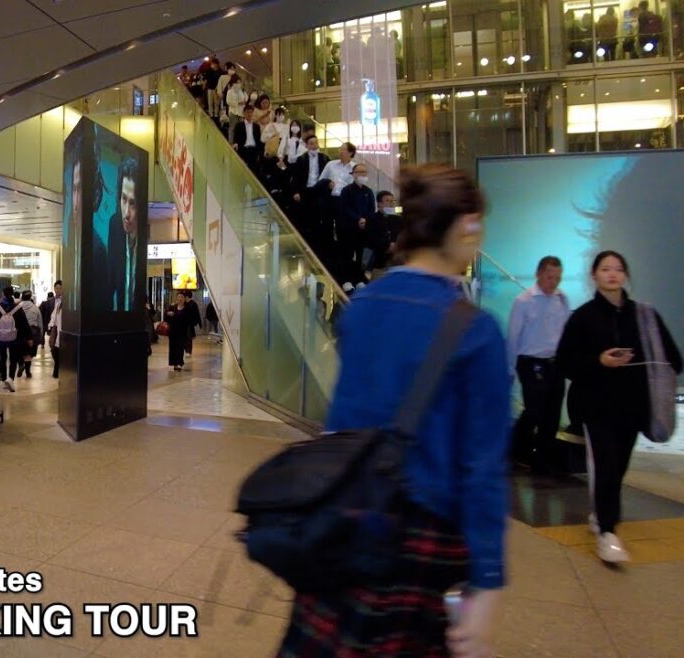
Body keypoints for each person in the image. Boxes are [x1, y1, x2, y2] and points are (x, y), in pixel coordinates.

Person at [280, 164, 509, 658]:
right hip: (420, 539)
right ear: (464, 227)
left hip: (346, 524)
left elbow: (339, 424)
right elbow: (483, 468)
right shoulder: (477, 331)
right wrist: (487, 579)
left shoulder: (363, 306)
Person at [556, 251, 681, 563]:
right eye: (605, 269)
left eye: (618, 269)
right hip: (596, 406)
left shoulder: (644, 316)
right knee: (605, 465)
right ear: (594, 275)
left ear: (625, 275)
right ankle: (608, 532)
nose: (612, 274)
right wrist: (599, 360)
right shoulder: (583, 317)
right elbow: (565, 361)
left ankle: (601, 515)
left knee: (618, 467)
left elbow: (672, 358)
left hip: (633, 405)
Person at [506, 257, 572, 475]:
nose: (553, 282)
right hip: (530, 361)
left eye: (557, 278)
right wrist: (510, 368)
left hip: (554, 362)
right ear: (539, 274)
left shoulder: (562, 299)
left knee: (553, 413)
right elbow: (513, 336)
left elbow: (565, 333)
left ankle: (542, 458)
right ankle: (514, 449)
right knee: (534, 410)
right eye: (549, 277)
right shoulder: (524, 301)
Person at [95, 159, 142, 313]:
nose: (126, 213)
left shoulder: (142, 236)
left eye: (133, 203)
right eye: (124, 199)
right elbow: (110, 282)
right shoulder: (115, 224)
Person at [338, 162, 376, 285]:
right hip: (349, 228)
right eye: (360, 172)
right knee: (347, 255)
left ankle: (360, 280)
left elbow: (371, 209)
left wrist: (365, 220)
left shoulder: (368, 191)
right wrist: (358, 219)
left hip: (364, 229)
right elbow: (345, 208)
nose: (362, 175)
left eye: (364, 172)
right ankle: (346, 281)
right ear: (353, 174)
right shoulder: (346, 190)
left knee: (361, 256)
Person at [0, 286, 32, 389]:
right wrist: (29, 337)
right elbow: (24, 324)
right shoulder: (17, 308)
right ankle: (11, 379)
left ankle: (4, 379)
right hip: (15, 338)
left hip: (1, 338)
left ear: (3, 294)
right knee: (13, 359)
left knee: (3, 358)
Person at [163, 292, 192, 371]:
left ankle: (179, 363)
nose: (180, 299)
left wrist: (175, 315)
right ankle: (174, 363)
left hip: (182, 331)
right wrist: (168, 314)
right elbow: (166, 318)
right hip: (172, 332)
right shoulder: (173, 307)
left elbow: (188, 320)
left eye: (182, 297)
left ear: (184, 299)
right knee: (173, 348)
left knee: (180, 348)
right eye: (179, 297)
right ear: (176, 298)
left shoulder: (187, 309)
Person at [18, 290, 42, 378]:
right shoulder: (35, 308)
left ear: (22, 297)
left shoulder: (18, 307)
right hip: (32, 333)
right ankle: (28, 372)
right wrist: (41, 335)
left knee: (20, 351)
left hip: (20, 333)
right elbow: (40, 323)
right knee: (28, 354)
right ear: (30, 297)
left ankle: (21, 365)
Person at [233, 104, 263, 170]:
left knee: (255, 170)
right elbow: (235, 139)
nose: (249, 114)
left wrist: (259, 153)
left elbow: (259, 140)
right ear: (243, 113)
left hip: (254, 151)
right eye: (247, 112)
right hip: (243, 150)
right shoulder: (239, 125)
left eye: (251, 112)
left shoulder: (256, 126)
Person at [48, 281, 63, 379]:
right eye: (56, 288)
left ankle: (57, 372)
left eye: (60, 288)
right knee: (55, 351)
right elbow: (53, 317)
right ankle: (56, 372)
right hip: (57, 331)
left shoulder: (67, 303)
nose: (58, 290)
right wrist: (50, 327)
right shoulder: (56, 304)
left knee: (58, 352)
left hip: (63, 333)